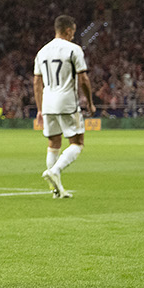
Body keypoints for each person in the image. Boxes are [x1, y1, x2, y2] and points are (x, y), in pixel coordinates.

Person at [33, 15, 94, 199]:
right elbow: (83, 78)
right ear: (68, 30)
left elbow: (37, 82)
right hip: (67, 101)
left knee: (53, 144)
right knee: (77, 143)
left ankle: (56, 190)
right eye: (73, 32)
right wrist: (90, 101)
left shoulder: (42, 51)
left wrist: (39, 108)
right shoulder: (73, 50)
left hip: (48, 102)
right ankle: (55, 170)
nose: (73, 36)